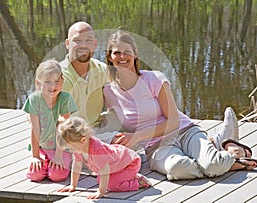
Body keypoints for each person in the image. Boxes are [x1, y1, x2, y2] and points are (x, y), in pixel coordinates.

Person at [103, 30, 257, 180]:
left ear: (135, 54)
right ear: (110, 57)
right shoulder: (109, 92)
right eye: (116, 52)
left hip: (184, 132)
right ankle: (220, 151)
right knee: (178, 169)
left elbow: (173, 121)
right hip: (156, 147)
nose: (122, 56)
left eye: (127, 51)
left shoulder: (154, 79)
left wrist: (137, 137)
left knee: (213, 165)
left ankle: (230, 154)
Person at [56, 116, 151, 199]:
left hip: (130, 163)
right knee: (100, 180)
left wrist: (101, 192)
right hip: (116, 167)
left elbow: (104, 171)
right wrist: (73, 185)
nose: (71, 150)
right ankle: (129, 177)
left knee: (112, 185)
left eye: (71, 147)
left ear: (83, 140)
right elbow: (76, 166)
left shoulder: (98, 151)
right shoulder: (79, 149)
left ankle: (138, 182)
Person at [59, 21, 120, 143]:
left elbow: (122, 93)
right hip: (71, 135)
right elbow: (58, 123)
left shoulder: (101, 69)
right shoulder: (59, 77)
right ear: (67, 43)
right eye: (77, 40)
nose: (83, 45)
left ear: (95, 44)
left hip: (96, 126)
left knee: (125, 120)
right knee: (119, 143)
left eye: (88, 41)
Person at [22, 59, 78, 182]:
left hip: (61, 147)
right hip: (42, 147)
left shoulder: (65, 99)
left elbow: (63, 129)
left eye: (57, 82)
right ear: (38, 82)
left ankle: (65, 160)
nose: (53, 86)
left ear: (62, 81)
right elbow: (35, 129)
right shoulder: (34, 100)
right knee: (35, 176)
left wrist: (58, 156)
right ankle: (44, 161)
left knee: (57, 176)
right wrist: (35, 156)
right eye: (47, 82)